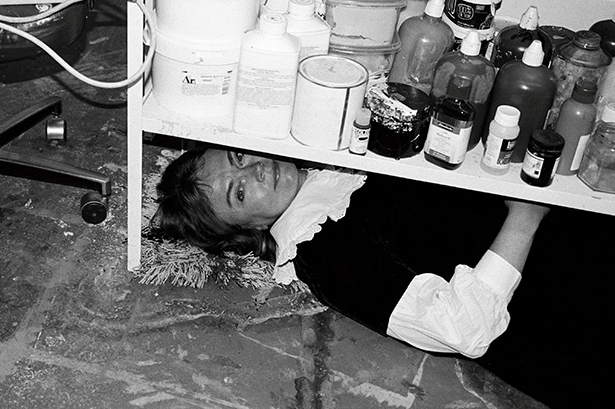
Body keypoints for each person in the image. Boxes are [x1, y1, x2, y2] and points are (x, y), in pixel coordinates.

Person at [153, 145, 613, 409]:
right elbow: (462, 329)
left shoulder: (324, 172)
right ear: (247, 229)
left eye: (237, 156)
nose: (256, 169)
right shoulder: (323, 248)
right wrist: (526, 216)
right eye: (240, 190)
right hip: (574, 312)